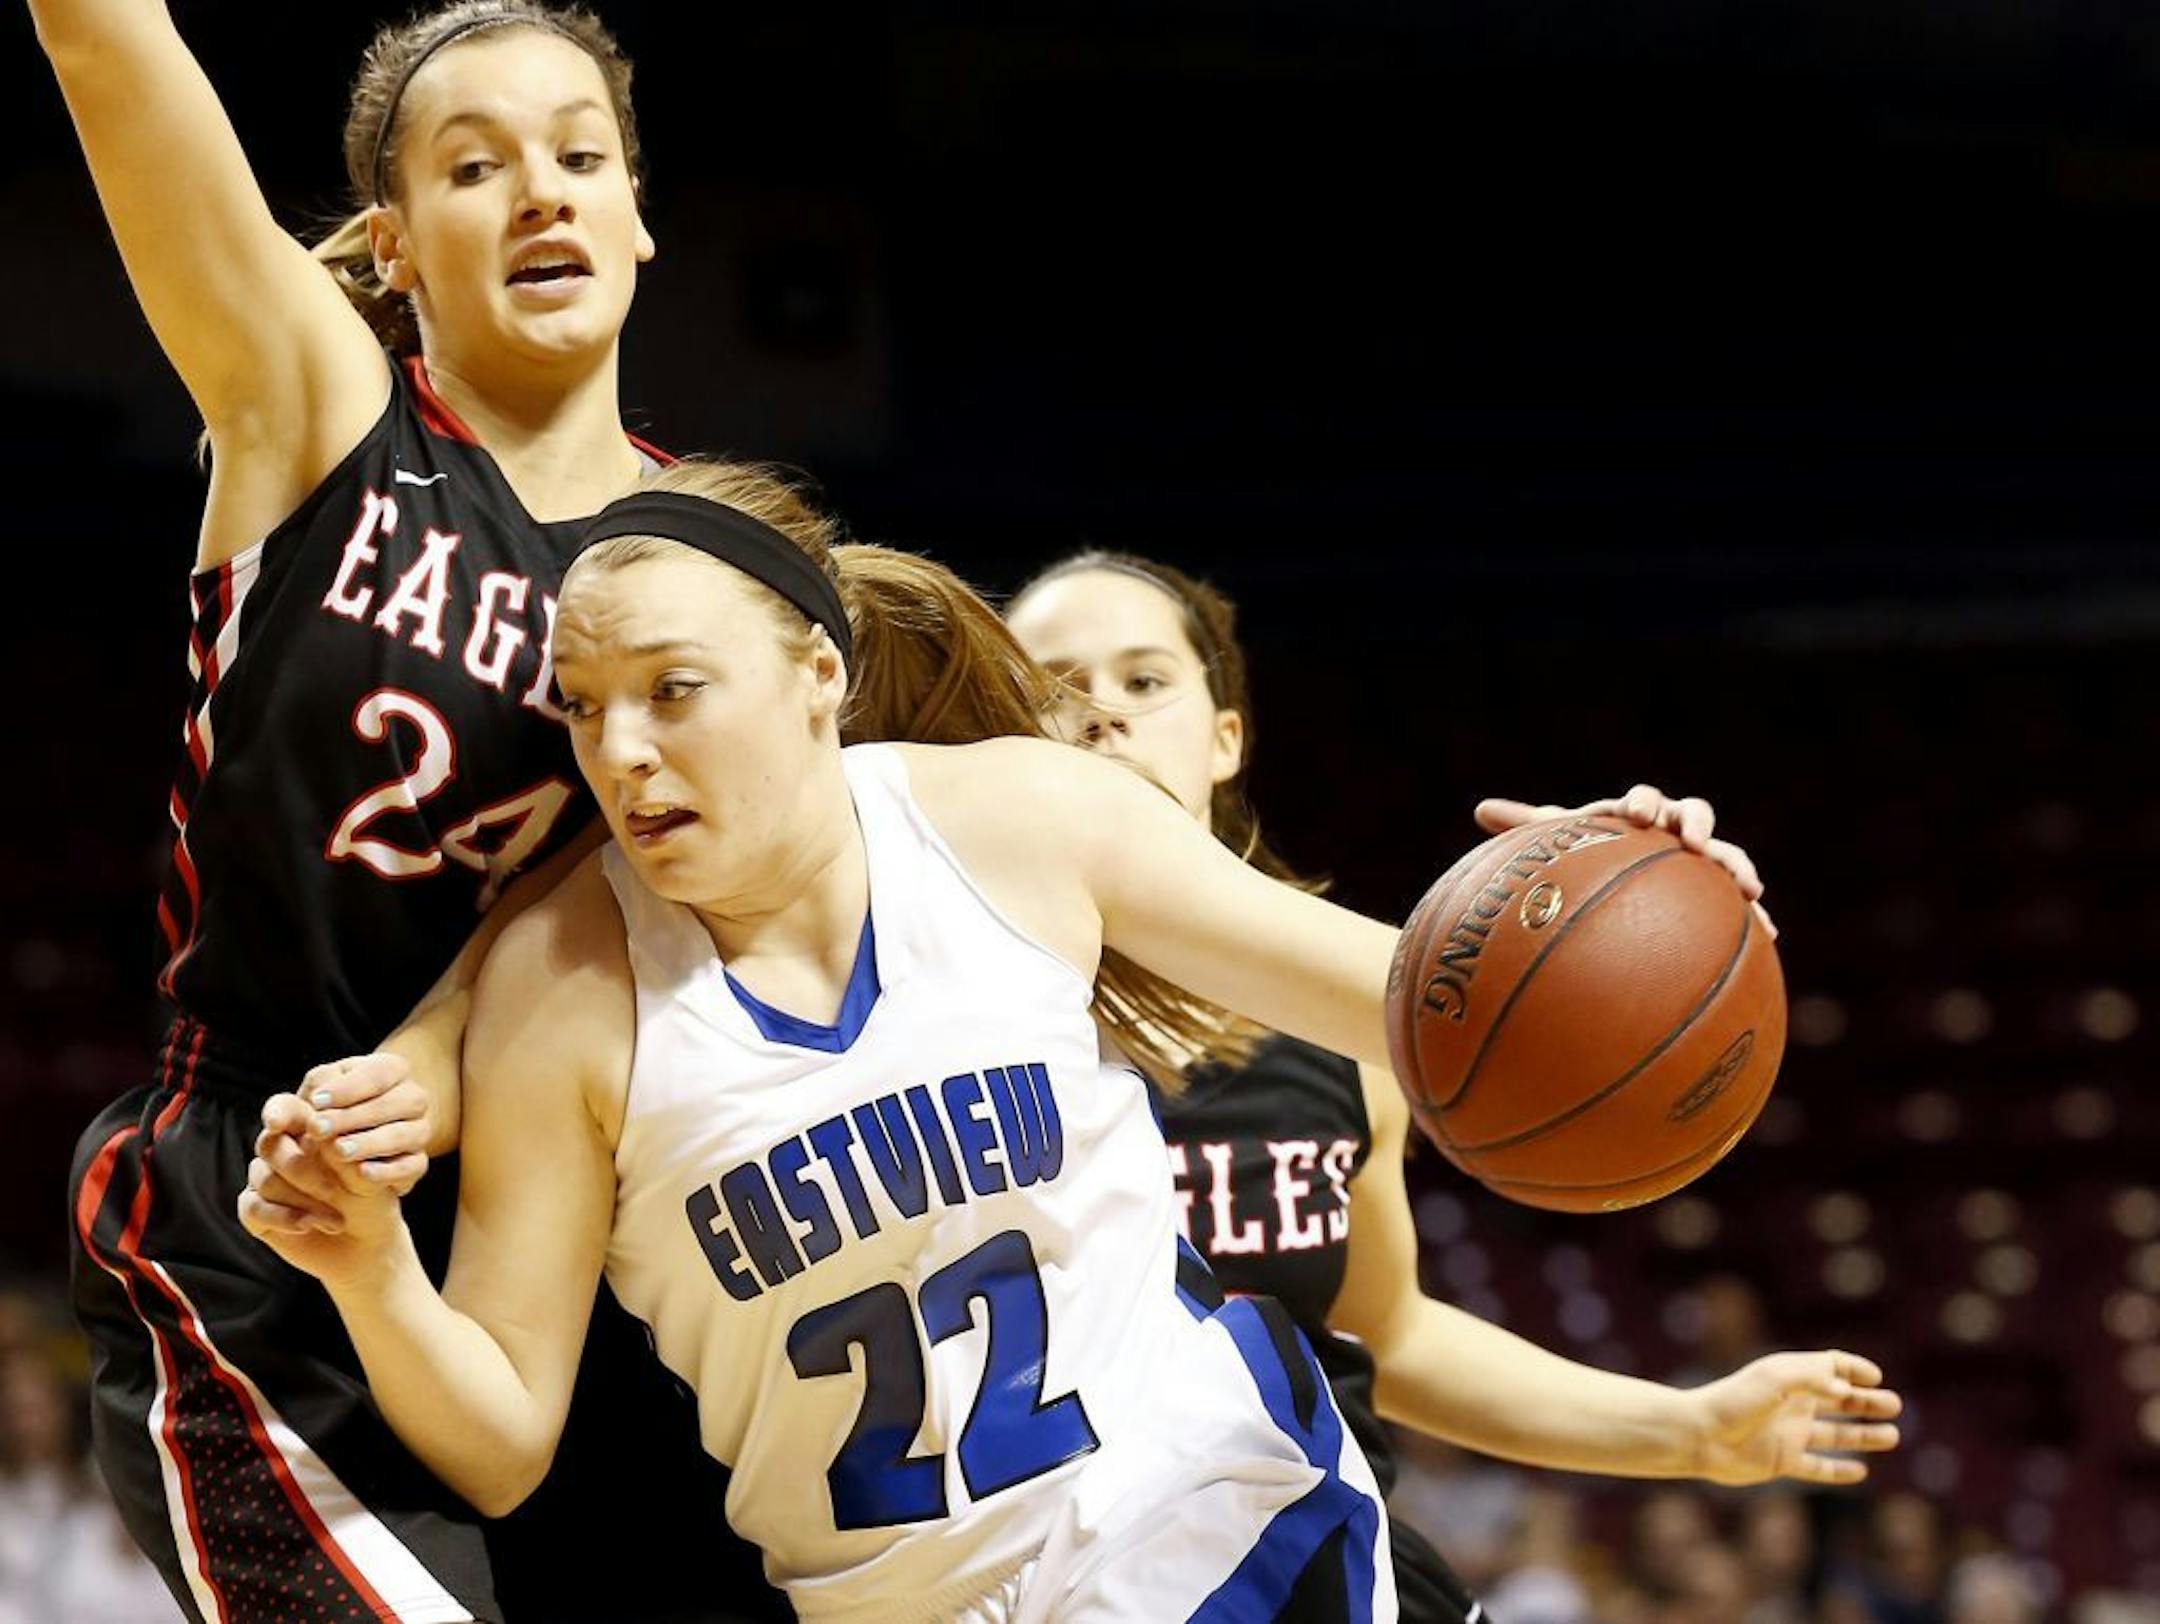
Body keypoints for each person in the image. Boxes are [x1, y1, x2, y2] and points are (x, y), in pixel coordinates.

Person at [239, 459, 1479, 1621]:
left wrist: (1593, 888)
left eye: (673, 689)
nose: (621, 751)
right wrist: (370, 1265)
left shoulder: (1017, 819)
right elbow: (502, 1441)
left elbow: (1422, 995)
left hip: (1210, 1529)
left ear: (818, 673)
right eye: (583, 707)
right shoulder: (561, 988)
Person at [35, 2, 780, 1617]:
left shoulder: (718, 561)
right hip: (264, 1206)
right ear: (393, 241)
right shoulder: (320, 416)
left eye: (581, 156)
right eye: (475, 165)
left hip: (582, 1250)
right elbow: (104, 50)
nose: (540, 192)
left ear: (642, 214)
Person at [1001, 550, 1906, 1623]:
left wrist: (1614, 903)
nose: (1102, 714)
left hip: (1326, 1575)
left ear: (1226, 736)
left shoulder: (1345, 1036)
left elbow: (1393, 1334)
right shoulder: (941, 1015)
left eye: (1145, 681)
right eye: (1053, 688)